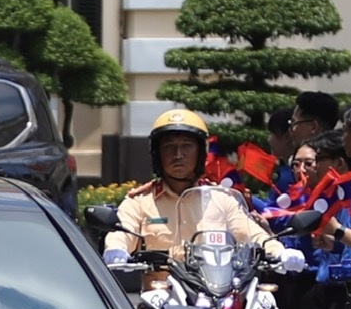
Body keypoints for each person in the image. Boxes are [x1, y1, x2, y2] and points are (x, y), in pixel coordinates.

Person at [106, 109, 295, 266]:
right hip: (161, 296)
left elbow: (251, 233)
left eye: (187, 146)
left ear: (201, 154)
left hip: (214, 293)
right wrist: (117, 249)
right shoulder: (139, 201)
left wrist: (279, 251)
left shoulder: (221, 198)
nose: (178, 155)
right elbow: (122, 231)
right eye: (169, 147)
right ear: (157, 154)